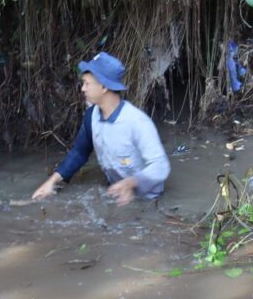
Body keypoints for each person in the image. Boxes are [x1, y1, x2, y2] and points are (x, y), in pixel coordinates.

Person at [31, 52, 170, 204]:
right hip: (116, 195)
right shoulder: (92, 117)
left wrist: (130, 183)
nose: (82, 88)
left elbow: (160, 166)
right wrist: (51, 182)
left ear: (104, 86)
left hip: (148, 200)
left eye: (87, 83)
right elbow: (79, 152)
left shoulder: (137, 122)